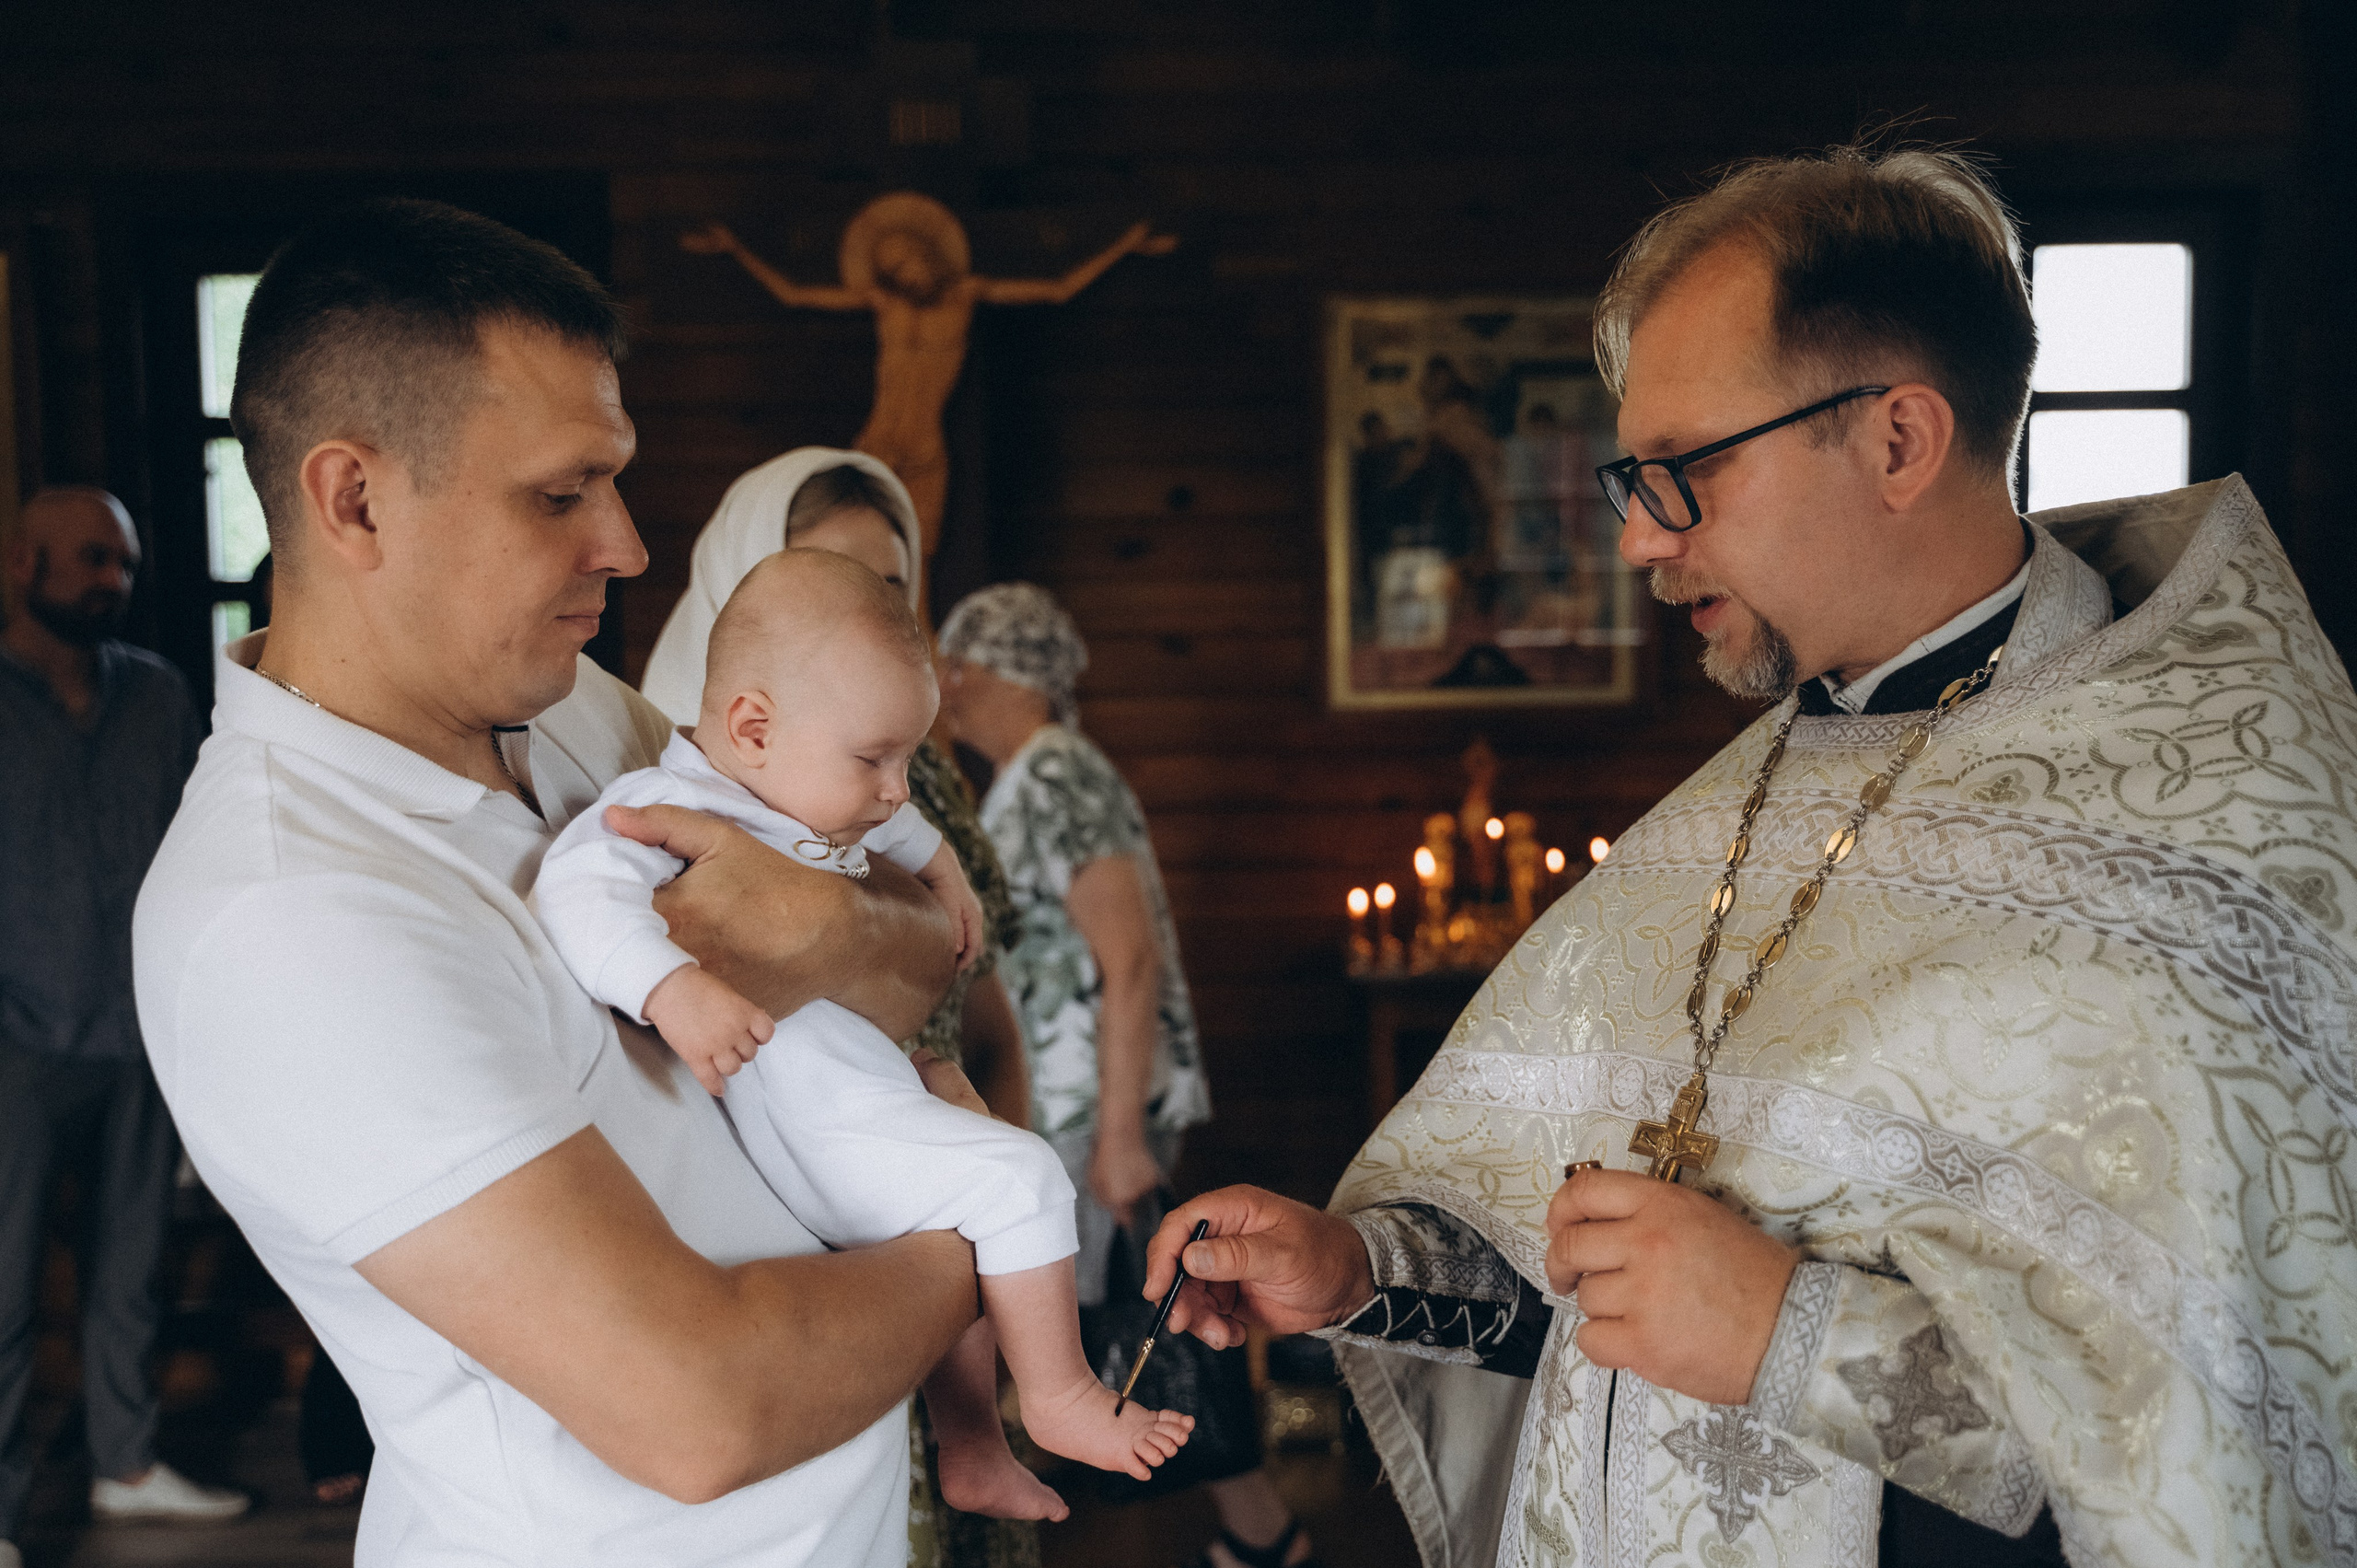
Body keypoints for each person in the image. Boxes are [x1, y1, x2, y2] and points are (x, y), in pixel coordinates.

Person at [1142, 141, 2357, 1568]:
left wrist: (1798, 1336)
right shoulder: (1742, 793)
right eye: (1632, 479)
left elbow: (2245, 1424)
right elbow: (1585, 1272)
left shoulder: (2215, 839)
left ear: (1900, 438)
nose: (1644, 545)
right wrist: (1358, 1268)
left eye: (1687, 472)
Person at [133, 197, 985, 1568]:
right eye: (560, 492)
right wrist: (991, 1218)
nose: (631, 544)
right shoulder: (289, 913)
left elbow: (922, 958)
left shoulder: (570, 707)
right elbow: (698, 1406)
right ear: (354, 498)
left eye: (615, 476)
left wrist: (829, 931)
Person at [540, 549, 1193, 1523]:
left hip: (851, 1090)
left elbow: (898, 826)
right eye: (875, 758)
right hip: (804, 1120)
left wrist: (947, 875)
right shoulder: (667, 809)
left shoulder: (791, 783)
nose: (897, 788)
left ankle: (968, 1442)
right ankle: (1054, 1398)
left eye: (905, 759)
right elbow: (576, 891)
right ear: (752, 725)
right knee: (1018, 1177)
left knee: (969, 1186)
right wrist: (670, 984)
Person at [640, 446, 1042, 1568]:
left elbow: (984, 1002)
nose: (871, 610)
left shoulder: (917, 772)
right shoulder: (678, 774)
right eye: (832, 574)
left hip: (938, 1162)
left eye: (891, 584)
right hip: (804, 1230)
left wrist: (1007, 1187)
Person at [938, 585, 1319, 1568]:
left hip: (1088, 1103)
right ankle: (1259, 1533)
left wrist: (1115, 1132)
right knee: (1122, 1320)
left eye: (956, 664)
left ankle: (1257, 1531)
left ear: (994, 671)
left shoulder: (1058, 770)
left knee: (1145, 1321)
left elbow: (1131, 957)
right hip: (1063, 1098)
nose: (944, 684)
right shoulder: (1035, 774)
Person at [0, 487, 240, 1563]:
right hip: (15, 1033)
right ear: (22, 564)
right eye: (92, 559)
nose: (113, 580)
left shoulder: (158, 693)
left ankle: (126, 1463)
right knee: (1, 1282)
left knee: (130, 1263)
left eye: (125, 564)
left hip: (141, 1026)